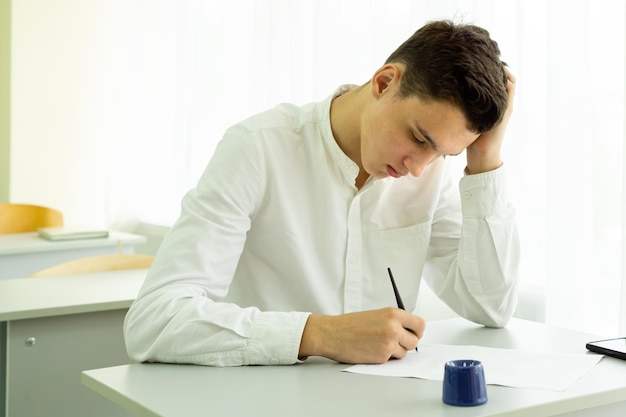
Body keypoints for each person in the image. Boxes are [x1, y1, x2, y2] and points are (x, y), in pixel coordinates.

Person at [124, 19, 520, 367]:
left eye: (442, 154)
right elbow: (154, 320)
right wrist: (319, 334)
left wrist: (484, 161)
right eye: (418, 138)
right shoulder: (257, 149)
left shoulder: (426, 171)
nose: (419, 168)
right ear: (384, 83)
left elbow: (491, 307)